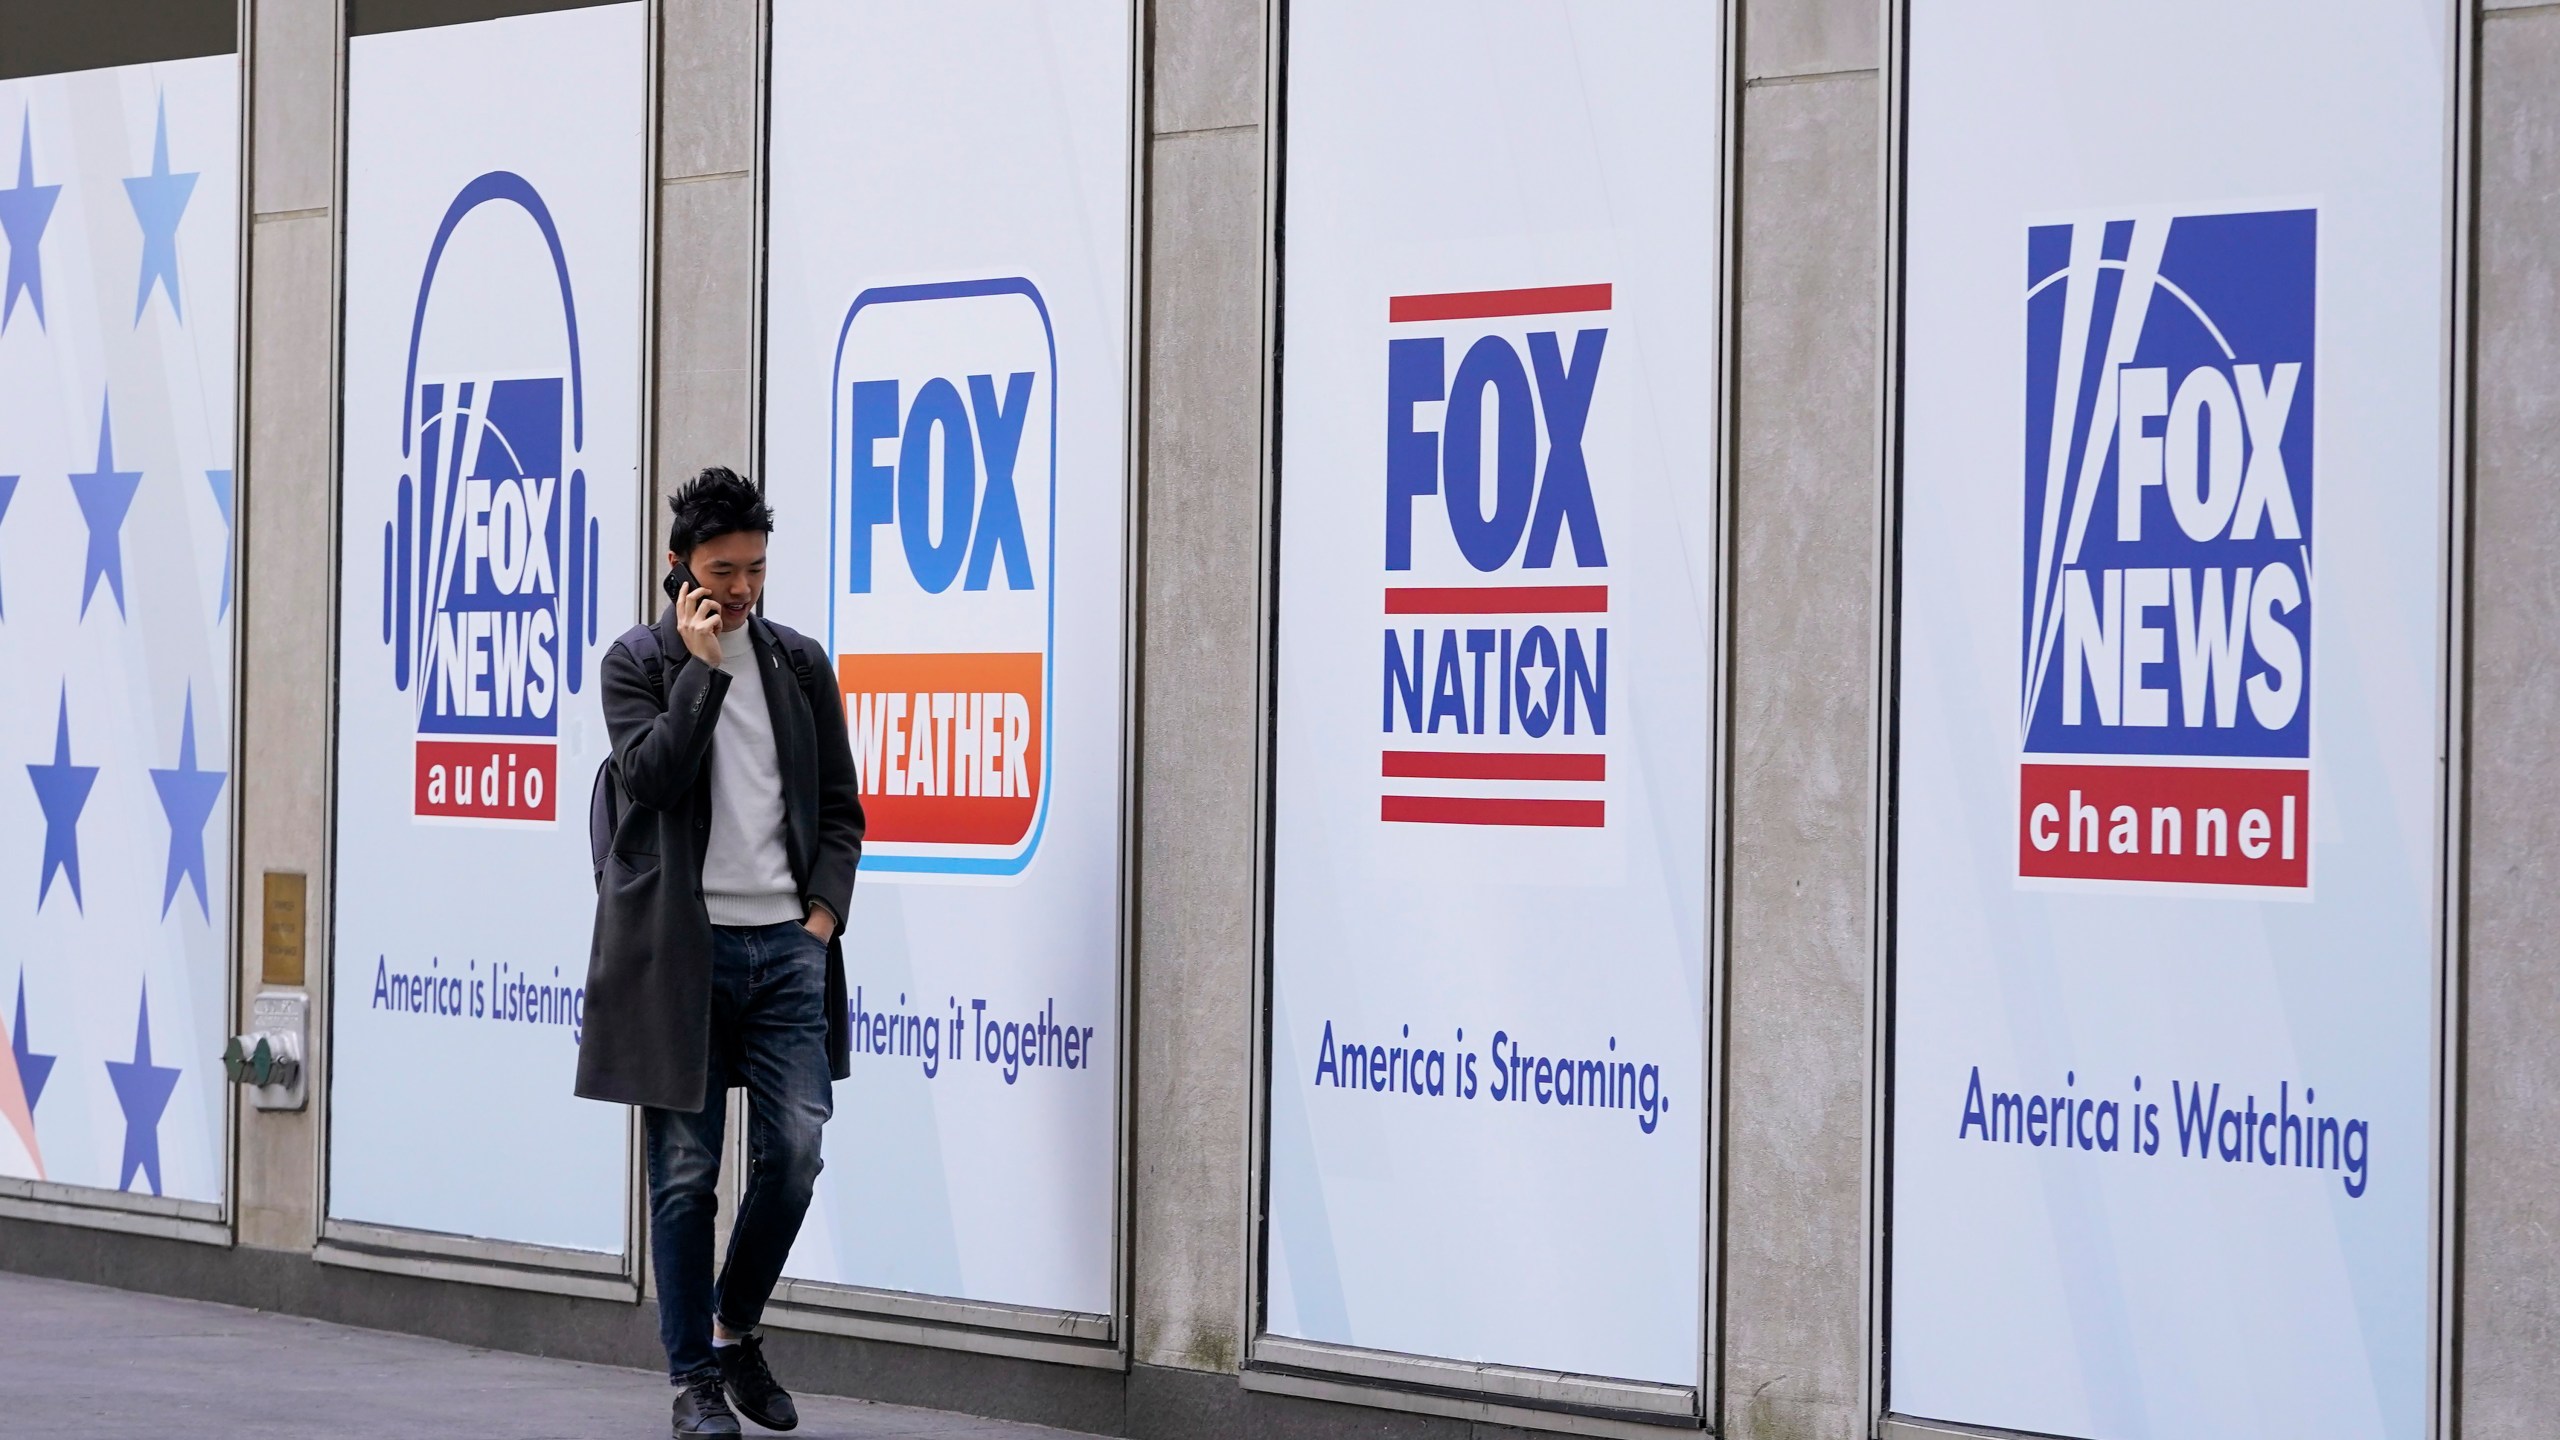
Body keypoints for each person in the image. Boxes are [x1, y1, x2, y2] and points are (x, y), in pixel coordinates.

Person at [578, 466, 865, 1437]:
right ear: (679, 570)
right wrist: (701, 672)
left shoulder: (799, 664)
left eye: (754, 569)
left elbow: (838, 810)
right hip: (681, 956)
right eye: (721, 571)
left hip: (785, 948)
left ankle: (734, 1331)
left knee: (795, 1152)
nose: (741, 589)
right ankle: (693, 1380)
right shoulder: (638, 664)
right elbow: (651, 780)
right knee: (685, 1175)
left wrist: (818, 920)